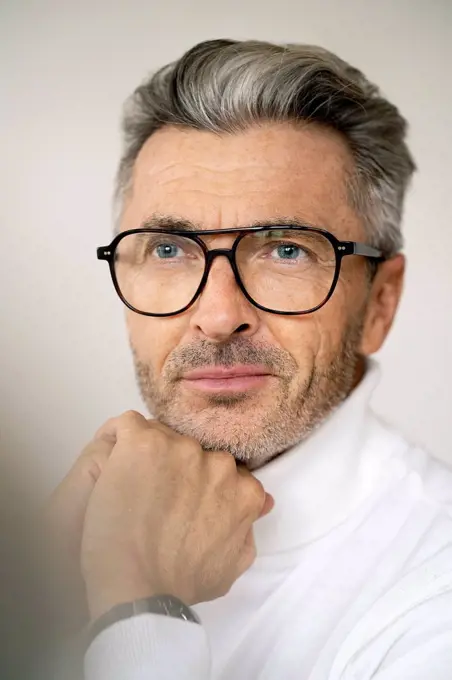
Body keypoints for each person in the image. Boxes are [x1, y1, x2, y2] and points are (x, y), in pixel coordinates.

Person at [48, 39, 452, 679]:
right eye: (168, 249)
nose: (216, 315)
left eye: (286, 249)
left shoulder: (436, 601)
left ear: (380, 303)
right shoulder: (51, 551)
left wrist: (138, 614)